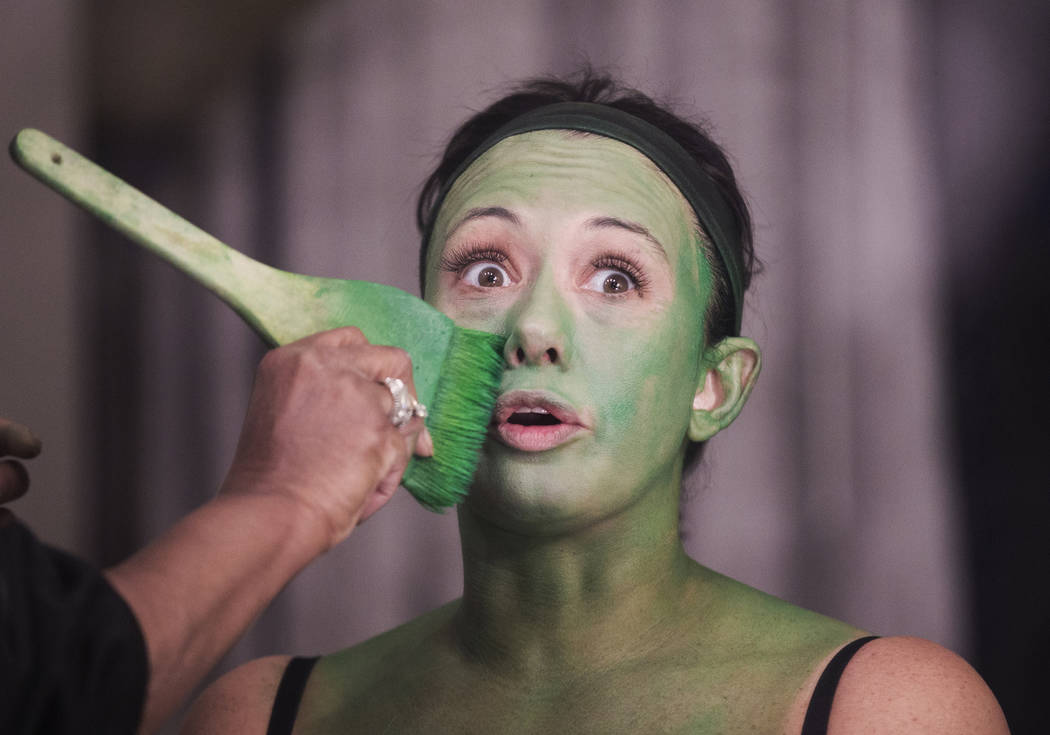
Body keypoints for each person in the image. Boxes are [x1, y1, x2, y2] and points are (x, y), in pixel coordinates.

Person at [185, 73, 1009, 734]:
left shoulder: (887, 710)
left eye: (615, 276)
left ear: (712, 386)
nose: (533, 328)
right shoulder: (258, 716)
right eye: (485, 271)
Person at [1, 327, 432, 734]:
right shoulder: (254, 710)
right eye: (484, 274)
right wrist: (290, 496)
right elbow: (61, 684)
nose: (504, 341)